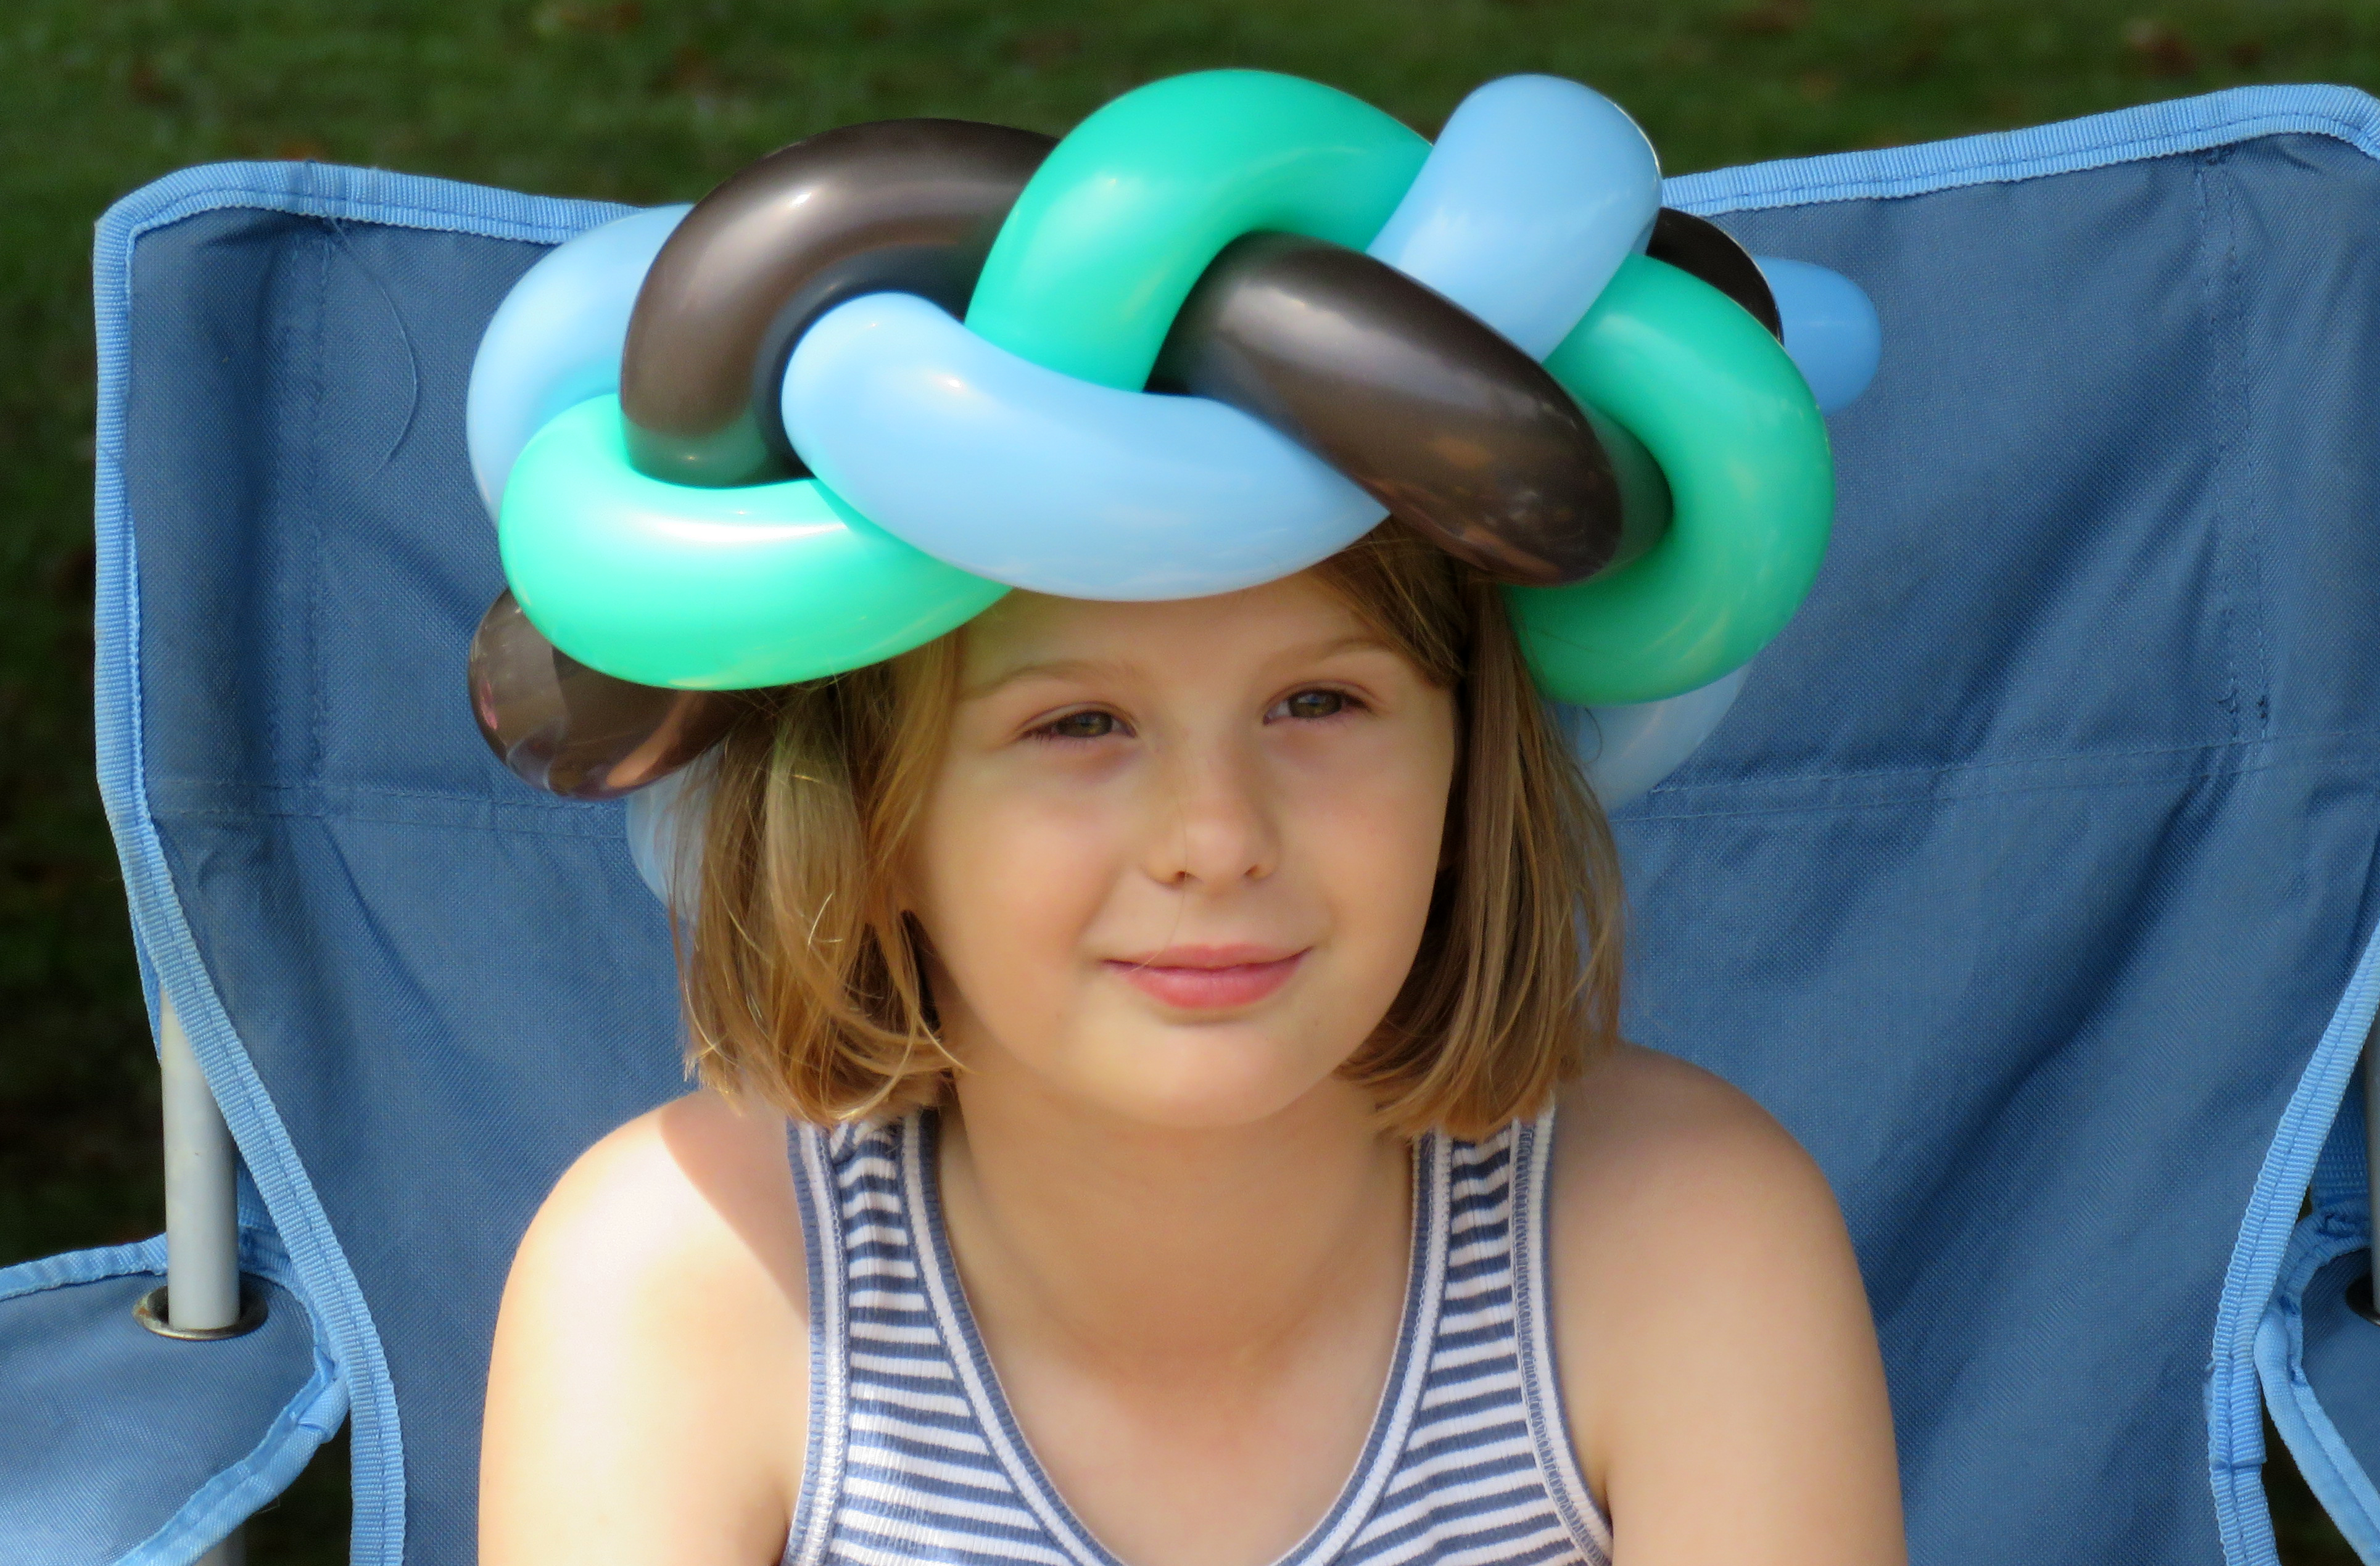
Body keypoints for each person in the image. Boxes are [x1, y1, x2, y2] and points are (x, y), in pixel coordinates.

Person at [476, 519, 1903, 1565]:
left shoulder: (1678, 1239)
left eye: (1319, 702)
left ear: (1467, 772)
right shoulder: (685, 1281)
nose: (1216, 838)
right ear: (874, 824)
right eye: (1079, 723)